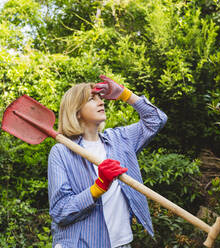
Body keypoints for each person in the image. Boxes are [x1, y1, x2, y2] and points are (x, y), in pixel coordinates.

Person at [48, 75, 167, 248]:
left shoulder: (119, 139)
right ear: (76, 111)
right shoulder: (61, 152)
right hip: (83, 244)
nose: (101, 102)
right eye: (91, 99)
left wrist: (125, 94)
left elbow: (156, 120)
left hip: (122, 243)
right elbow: (60, 211)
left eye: (100, 98)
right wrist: (98, 188)